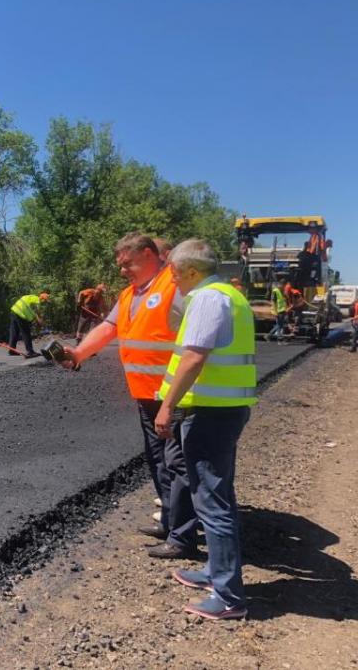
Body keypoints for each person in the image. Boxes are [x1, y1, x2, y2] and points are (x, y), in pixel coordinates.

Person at [61, 233, 199, 560]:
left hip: (175, 396)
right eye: (120, 265)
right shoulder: (129, 294)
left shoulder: (174, 285)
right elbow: (109, 328)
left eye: (128, 263)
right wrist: (79, 353)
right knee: (157, 460)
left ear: (150, 254)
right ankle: (169, 519)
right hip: (145, 395)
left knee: (178, 463)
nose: (122, 270)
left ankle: (183, 536)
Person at [154, 238, 256, 621]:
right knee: (217, 496)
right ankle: (214, 573)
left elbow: (194, 356)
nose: (173, 281)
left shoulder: (208, 298)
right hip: (223, 410)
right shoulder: (228, 295)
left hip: (211, 413)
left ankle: (229, 597)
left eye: (175, 274)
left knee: (213, 504)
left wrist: (167, 406)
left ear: (191, 271)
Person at [9, 292, 50, 358]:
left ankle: (12, 350)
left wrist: (36, 319)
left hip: (14, 311)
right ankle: (30, 352)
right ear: (42, 299)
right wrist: (37, 320)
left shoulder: (31, 297)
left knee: (14, 332)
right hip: (20, 314)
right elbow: (33, 313)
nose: (45, 303)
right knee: (26, 333)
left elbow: (33, 313)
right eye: (45, 301)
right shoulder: (36, 301)